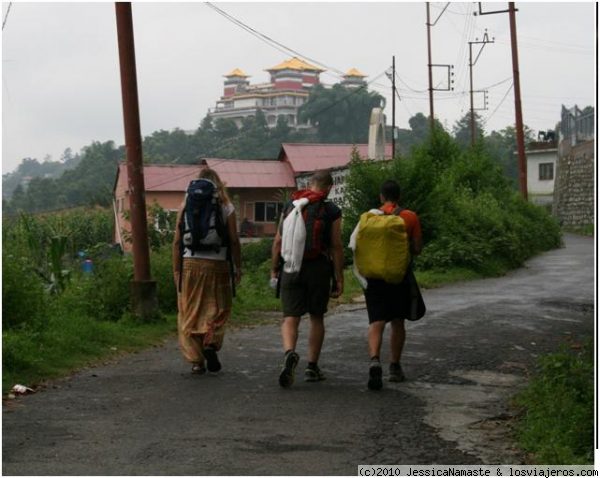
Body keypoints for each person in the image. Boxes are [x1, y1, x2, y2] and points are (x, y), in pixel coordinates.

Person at [271, 170, 344, 388]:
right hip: (318, 268)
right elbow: (336, 245)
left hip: (290, 267)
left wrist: (275, 269)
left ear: (309, 184)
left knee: (290, 317)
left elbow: (277, 241)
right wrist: (339, 277)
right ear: (329, 188)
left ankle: (289, 352)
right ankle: (312, 367)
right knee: (316, 317)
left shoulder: (290, 205)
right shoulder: (331, 210)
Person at [351, 179, 424, 391]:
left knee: (376, 321)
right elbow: (417, 248)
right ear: (399, 196)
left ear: (381, 197)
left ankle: (374, 359)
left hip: (373, 277)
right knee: (398, 321)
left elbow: (356, 245)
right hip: (399, 276)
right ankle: (394, 367)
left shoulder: (370, 217)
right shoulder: (409, 216)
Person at [172, 167, 242, 375]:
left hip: (190, 264)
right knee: (219, 308)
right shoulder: (226, 206)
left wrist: (177, 270)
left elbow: (177, 242)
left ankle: (196, 361)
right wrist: (237, 267)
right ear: (218, 184)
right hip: (217, 265)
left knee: (189, 312)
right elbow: (234, 241)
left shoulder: (185, 204)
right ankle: (210, 342)